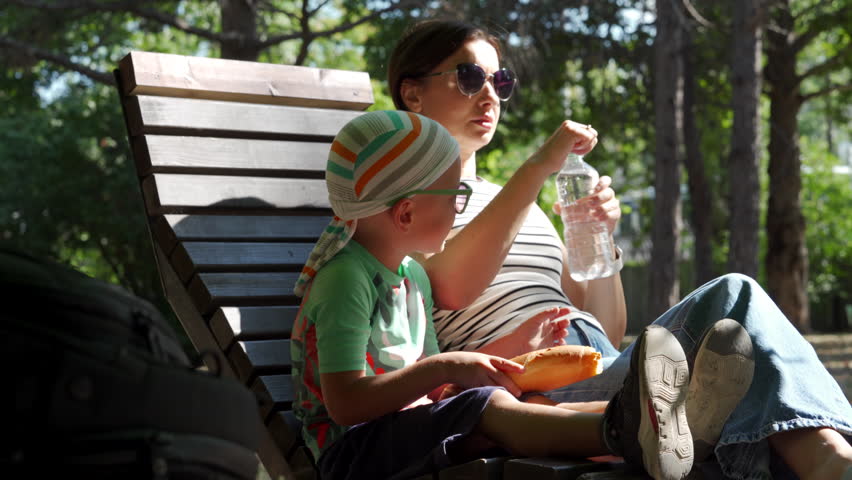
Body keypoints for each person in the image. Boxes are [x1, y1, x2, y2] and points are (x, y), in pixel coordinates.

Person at [387, 19, 852, 480]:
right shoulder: (403, 205)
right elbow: (448, 287)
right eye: (470, 77)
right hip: (531, 385)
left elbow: (605, 326)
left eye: (500, 80)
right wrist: (537, 167)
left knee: (744, 355)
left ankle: (829, 459)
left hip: (602, 364)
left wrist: (600, 239)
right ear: (413, 94)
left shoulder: (519, 206)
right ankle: (831, 458)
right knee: (734, 296)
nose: (490, 95)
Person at [289, 110, 741, 480]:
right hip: (354, 454)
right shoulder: (346, 279)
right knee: (491, 407)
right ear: (405, 213)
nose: (459, 205)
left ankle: (669, 423)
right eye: (454, 196)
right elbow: (346, 404)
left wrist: (510, 353)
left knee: (530, 404)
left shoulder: (411, 277)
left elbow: (436, 388)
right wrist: (445, 366)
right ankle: (631, 428)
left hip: (409, 430)